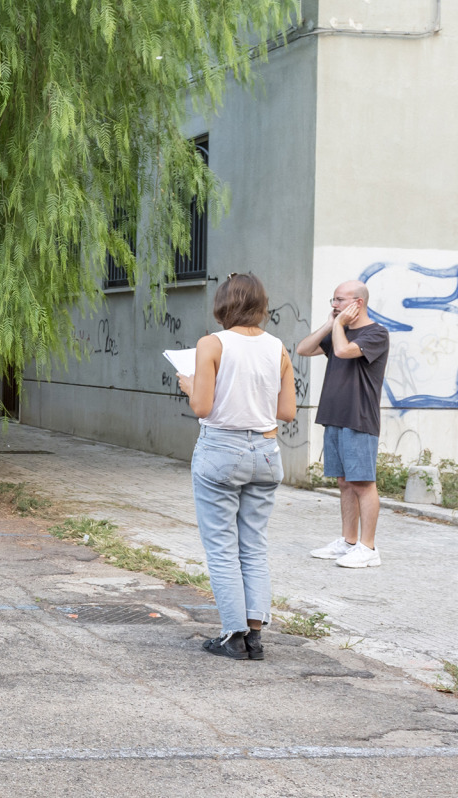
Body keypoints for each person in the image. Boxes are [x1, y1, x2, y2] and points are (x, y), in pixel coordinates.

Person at [178, 273, 297, 660]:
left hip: (222, 450)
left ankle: (233, 634)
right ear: (261, 305)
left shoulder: (212, 344)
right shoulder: (278, 347)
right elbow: (287, 412)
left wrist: (190, 383)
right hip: (265, 451)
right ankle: (255, 636)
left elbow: (202, 407)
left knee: (222, 546)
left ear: (223, 305)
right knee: (254, 545)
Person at [296, 280, 390, 568]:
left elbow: (344, 352)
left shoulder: (376, 333)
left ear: (357, 303)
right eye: (333, 300)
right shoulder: (338, 330)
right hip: (334, 416)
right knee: (345, 483)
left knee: (363, 482)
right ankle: (348, 542)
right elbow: (303, 349)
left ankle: (368, 547)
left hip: (358, 418)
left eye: (339, 300)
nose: (334, 305)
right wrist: (330, 325)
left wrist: (338, 328)